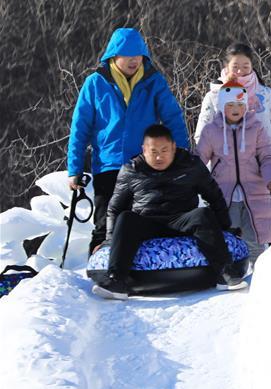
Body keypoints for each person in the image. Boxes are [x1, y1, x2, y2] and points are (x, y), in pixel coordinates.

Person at [67, 28, 190, 254]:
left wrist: (182, 154)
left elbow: (173, 118)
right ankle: (101, 267)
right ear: (114, 56)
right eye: (128, 55)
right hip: (108, 165)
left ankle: (139, 266)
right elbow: (80, 128)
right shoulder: (95, 83)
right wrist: (74, 168)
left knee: (142, 222)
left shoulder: (153, 81)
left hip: (144, 165)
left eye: (138, 55)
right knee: (105, 225)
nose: (134, 60)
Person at [92, 124, 246, 300]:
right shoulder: (131, 169)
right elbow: (115, 208)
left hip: (182, 219)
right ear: (144, 150)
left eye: (164, 150)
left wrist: (225, 228)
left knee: (203, 214)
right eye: (153, 151)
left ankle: (226, 273)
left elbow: (214, 196)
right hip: (148, 221)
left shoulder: (191, 165)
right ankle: (117, 280)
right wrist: (109, 240)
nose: (159, 157)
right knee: (126, 218)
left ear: (173, 147)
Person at [195, 83, 271, 265]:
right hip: (224, 195)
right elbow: (199, 159)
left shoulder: (256, 128)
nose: (236, 109)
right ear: (221, 106)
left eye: (240, 105)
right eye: (230, 105)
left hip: (254, 192)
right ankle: (232, 274)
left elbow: (266, 156)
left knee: (255, 239)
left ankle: (259, 274)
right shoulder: (211, 131)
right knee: (229, 239)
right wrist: (193, 181)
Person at [194, 43, 271, 161]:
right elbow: (202, 135)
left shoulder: (265, 95)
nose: (240, 71)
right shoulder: (214, 96)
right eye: (235, 67)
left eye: (245, 66)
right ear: (226, 66)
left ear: (252, 66)